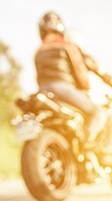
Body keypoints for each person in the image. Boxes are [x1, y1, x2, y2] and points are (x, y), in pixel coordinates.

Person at [35, 11, 108, 143]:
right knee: (98, 112)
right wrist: (85, 86)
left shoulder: (39, 51)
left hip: (43, 91)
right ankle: (88, 143)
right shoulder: (67, 46)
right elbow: (80, 73)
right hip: (63, 88)